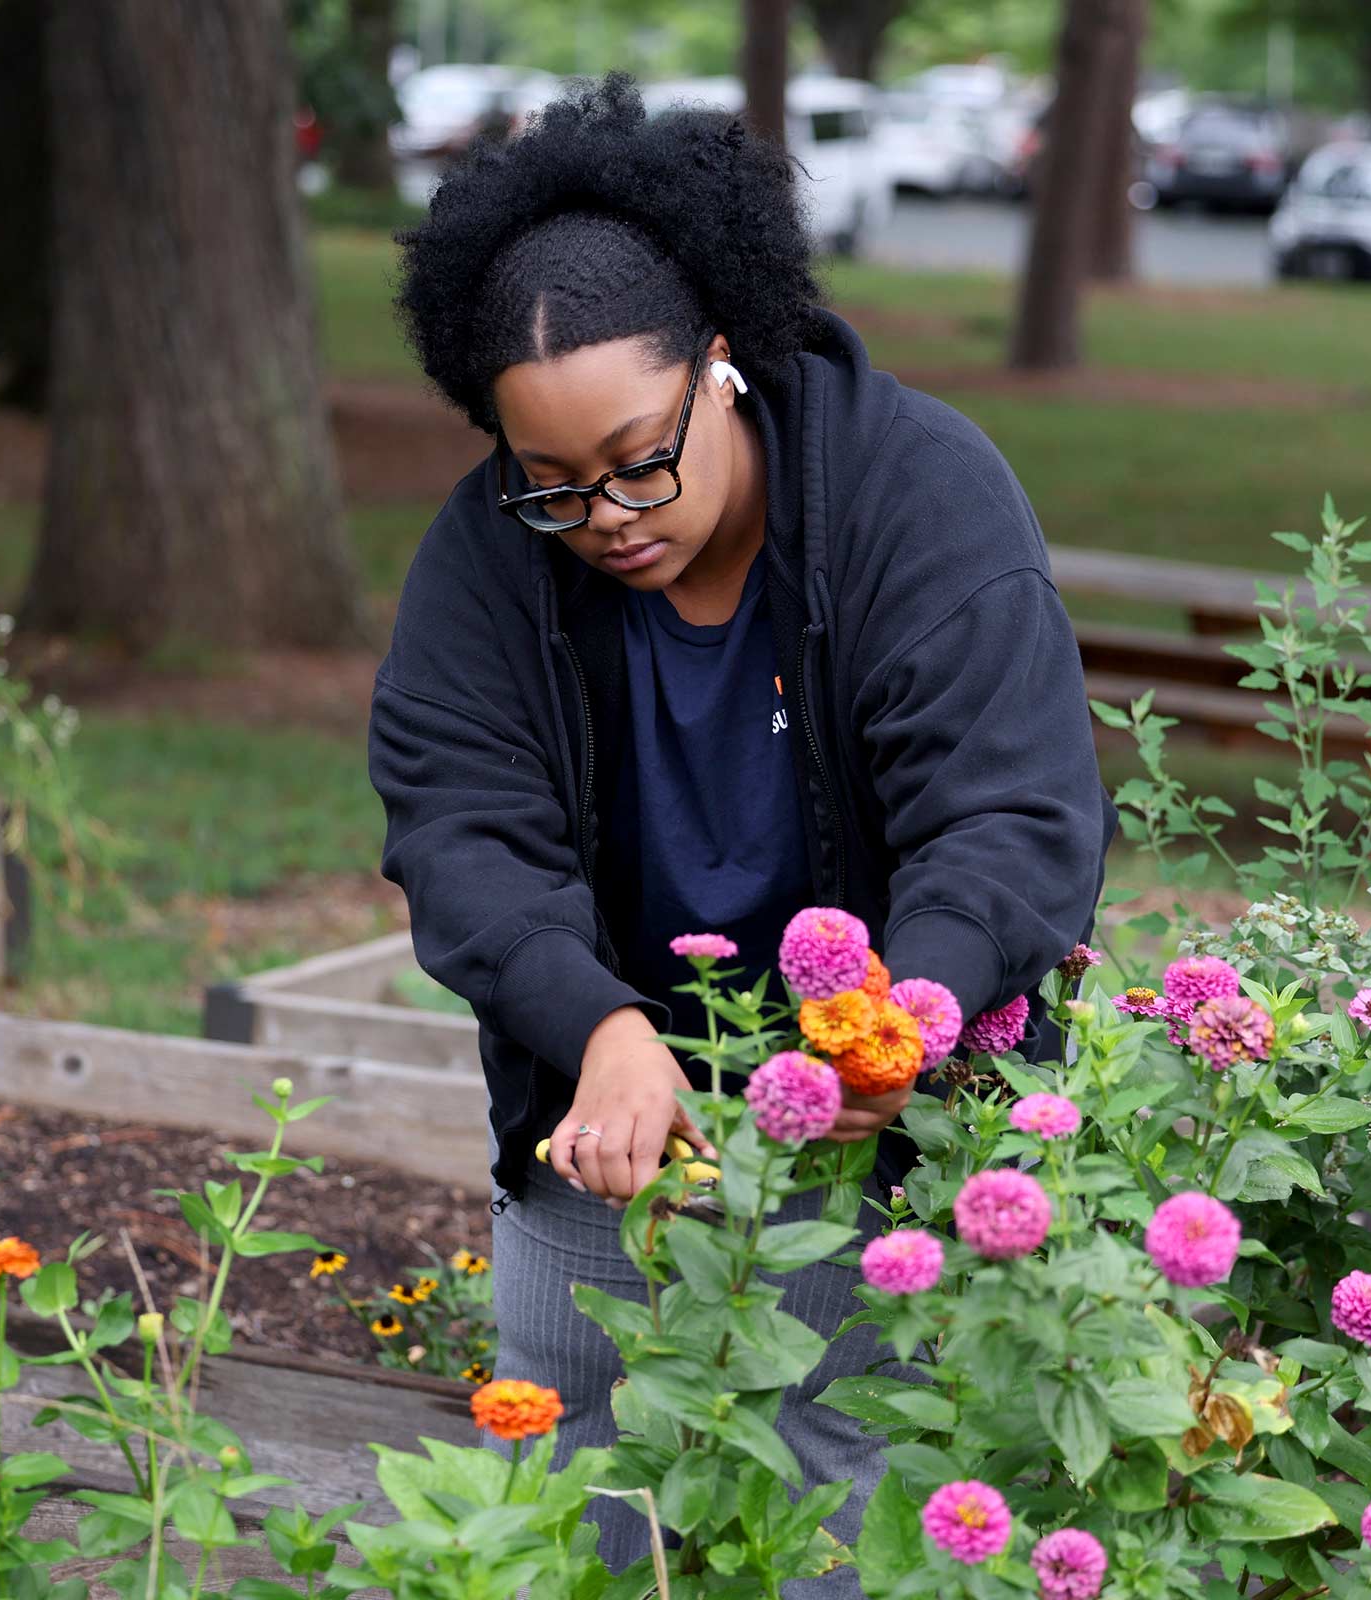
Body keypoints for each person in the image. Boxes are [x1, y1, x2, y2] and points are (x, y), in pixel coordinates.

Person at [370, 75, 1112, 1587]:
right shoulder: (485, 563)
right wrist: (600, 1029)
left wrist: (903, 1017)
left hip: (883, 1119)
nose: (610, 514)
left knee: (847, 1505)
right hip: (613, 1108)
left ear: (721, 365)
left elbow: (1008, 810)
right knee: (563, 1481)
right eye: (552, 484)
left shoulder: (924, 499)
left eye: (642, 457)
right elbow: (462, 831)